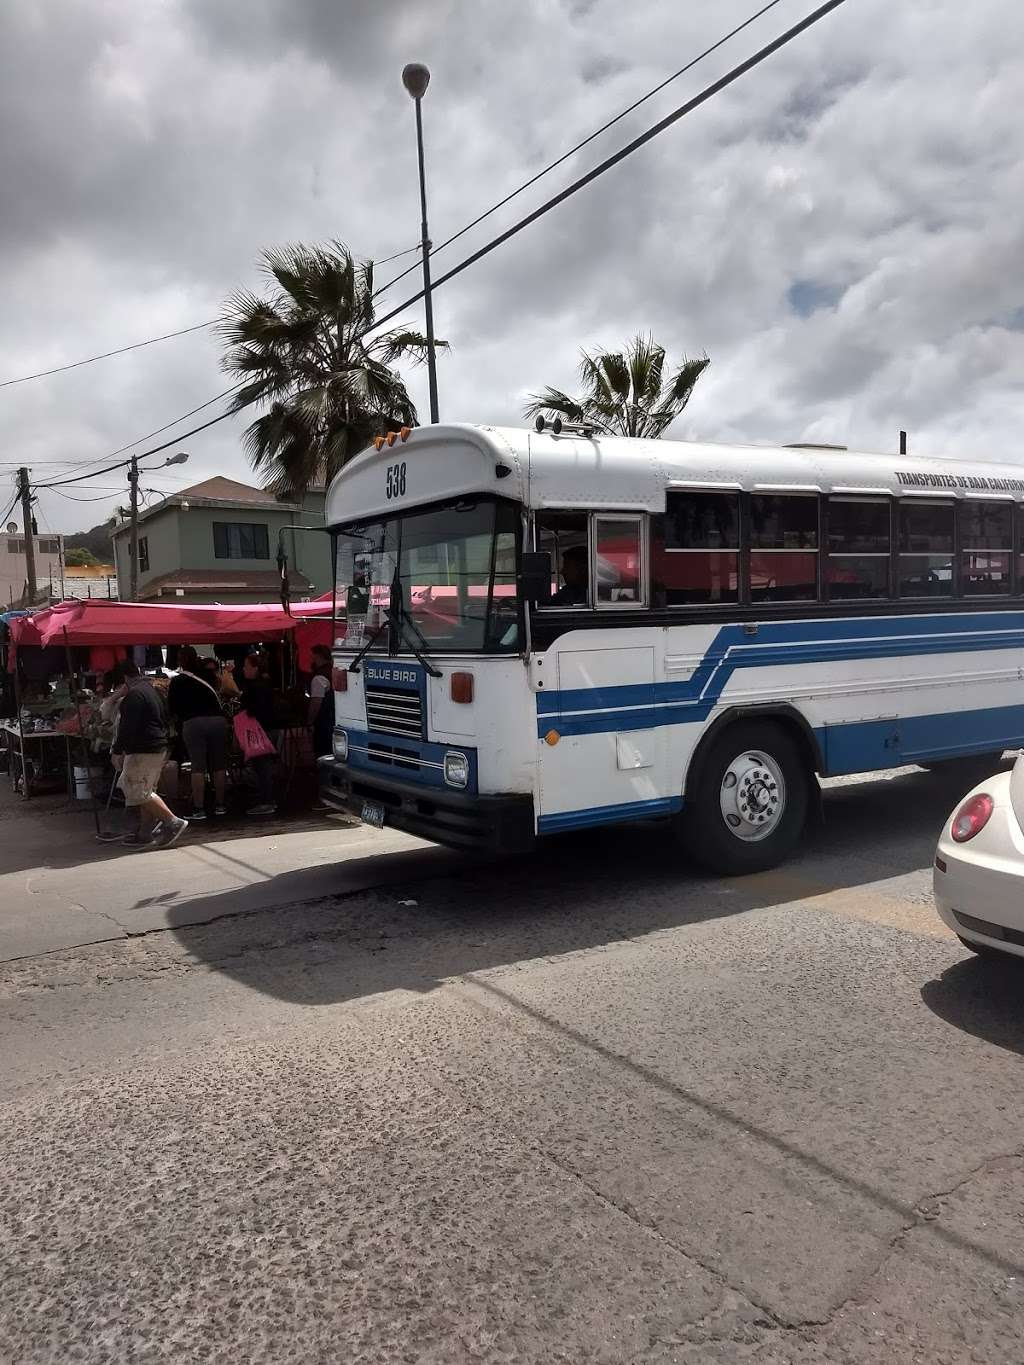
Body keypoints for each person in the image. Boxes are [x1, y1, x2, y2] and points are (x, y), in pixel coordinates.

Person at [111, 659, 187, 850]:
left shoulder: (134, 696)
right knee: (146, 790)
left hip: (143, 749)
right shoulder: (152, 690)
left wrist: (117, 750)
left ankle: (172, 821)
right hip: (157, 746)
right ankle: (145, 833)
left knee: (136, 790)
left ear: (124, 679)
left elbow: (127, 728)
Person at [168, 645, 229, 821]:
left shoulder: (178, 682)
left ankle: (199, 808)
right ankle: (220, 805)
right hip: (217, 721)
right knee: (218, 765)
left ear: (180, 661)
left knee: (198, 767)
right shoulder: (209, 675)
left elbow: (173, 709)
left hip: (193, 723)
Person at [239, 650, 278, 816]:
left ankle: (266, 801)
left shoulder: (254, 687)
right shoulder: (266, 684)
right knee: (265, 767)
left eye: (246, 666)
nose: (243, 669)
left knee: (262, 767)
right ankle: (268, 799)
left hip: (259, 731)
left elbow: (252, 710)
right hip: (269, 729)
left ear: (255, 668)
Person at [308, 644, 334, 760]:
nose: (311, 659)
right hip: (335, 720)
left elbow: (316, 703)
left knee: (323, 755)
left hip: (323, 724)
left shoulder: (319, 678)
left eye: (312, 656)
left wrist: (310, 721)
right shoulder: (335, 671)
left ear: (318, 657)